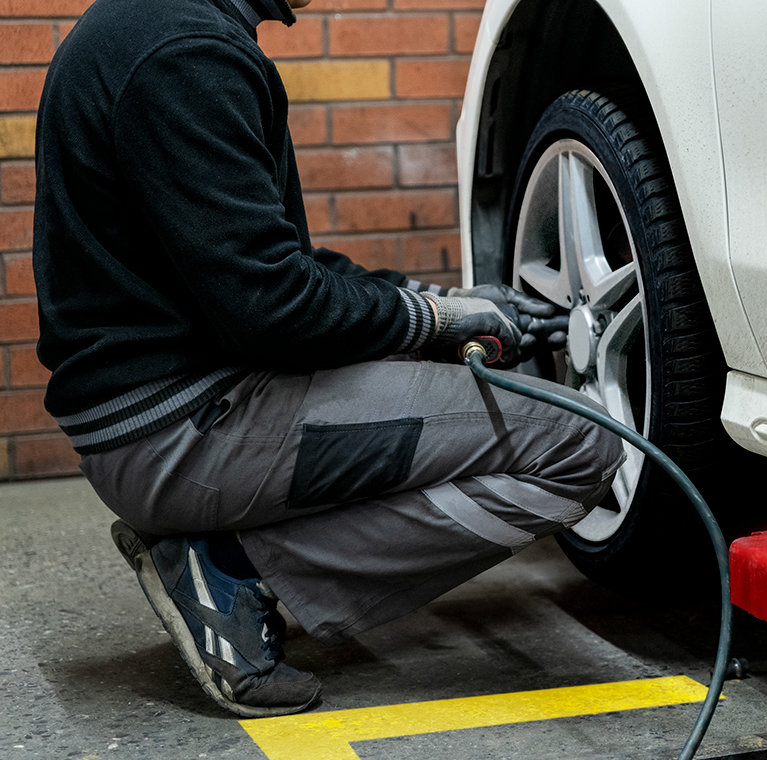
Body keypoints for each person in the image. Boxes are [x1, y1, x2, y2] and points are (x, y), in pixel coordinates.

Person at [32, 0, 624, 717]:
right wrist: (434, 321)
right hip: (184, 433)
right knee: (581, 444)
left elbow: (273, 265)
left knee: (439, 386)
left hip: (173, 413)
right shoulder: (186, 54)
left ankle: (232, 549)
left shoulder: (155, 23)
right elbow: (272, 309)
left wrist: (435, 300)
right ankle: (230, 569)